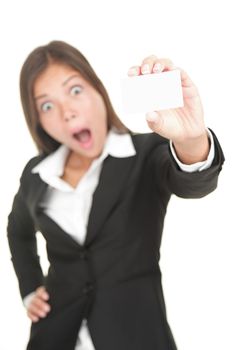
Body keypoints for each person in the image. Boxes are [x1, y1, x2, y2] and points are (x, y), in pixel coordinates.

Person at [7, 40, 224, 350]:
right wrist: (30, 289)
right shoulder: (36, 173)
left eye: (75, 90)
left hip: (135, 334)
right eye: (47, 105)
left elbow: (194, 182)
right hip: (53, 337)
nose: (66, 113)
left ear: (98, 89)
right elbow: (18, 232)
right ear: (38, 120)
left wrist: (192, 139)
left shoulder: (145, 153)